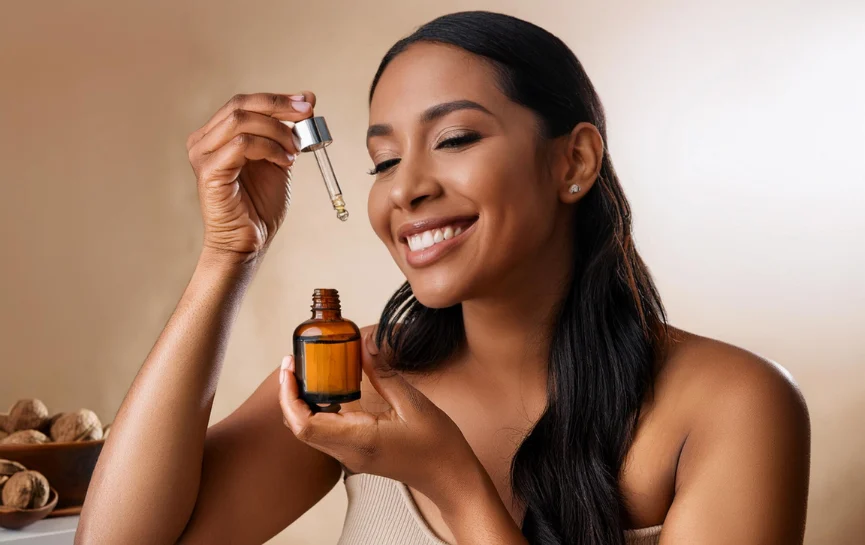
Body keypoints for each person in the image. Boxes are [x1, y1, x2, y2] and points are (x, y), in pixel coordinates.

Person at [75, 11, 811, 545]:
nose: (405, 189)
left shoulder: (732, 403)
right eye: (384, 160)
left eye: (454, 138)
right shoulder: (355, 375)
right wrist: (227, 256)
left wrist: (452, 482)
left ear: (574, 163)